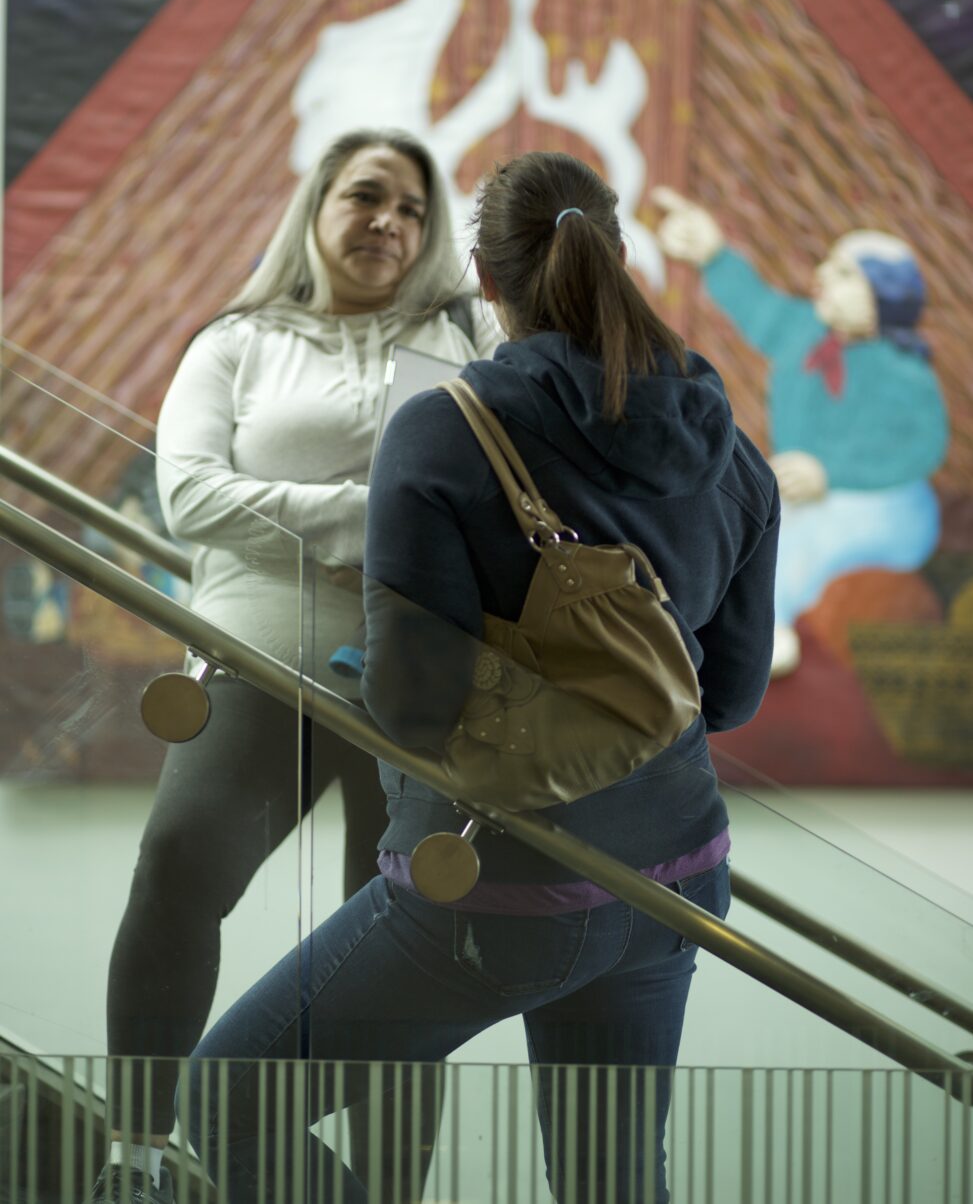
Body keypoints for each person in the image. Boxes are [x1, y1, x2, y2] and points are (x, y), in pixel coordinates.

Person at [184, 150, 780, 1203]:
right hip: (679, 877)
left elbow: (415, 707)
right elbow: (726, 696)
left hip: (500, 882)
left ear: (485, 276)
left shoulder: (446, 428)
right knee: (612, 1179)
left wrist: (361, 664)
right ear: (617, 256)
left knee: (227, 1097)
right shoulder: (725, 445)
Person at [90, 128, 500, 1204]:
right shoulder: (237, 340)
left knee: (404, 937)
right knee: (178, 861)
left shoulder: (465, 341)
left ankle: (389, 1190)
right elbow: (189, 498)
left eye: (413, 208)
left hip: (416, 687)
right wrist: (372, 515)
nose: (390, 222)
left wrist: (340, 522)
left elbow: (494, 503)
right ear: (315, 206)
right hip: (251, 660)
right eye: (367, 195)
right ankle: (134, 1151)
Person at [653, 186, 948, 676]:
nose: (821, 279)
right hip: (807, 494)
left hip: (888, 506)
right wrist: (712, 254)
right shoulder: (804, 333)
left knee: (805, 533)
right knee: (743, 516)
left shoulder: (905, 374)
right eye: (826, 267)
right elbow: (758, 308)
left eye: (843, 274)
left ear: (885, 295)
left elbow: (921, 448)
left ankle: (770, 632)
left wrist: (829, 471)